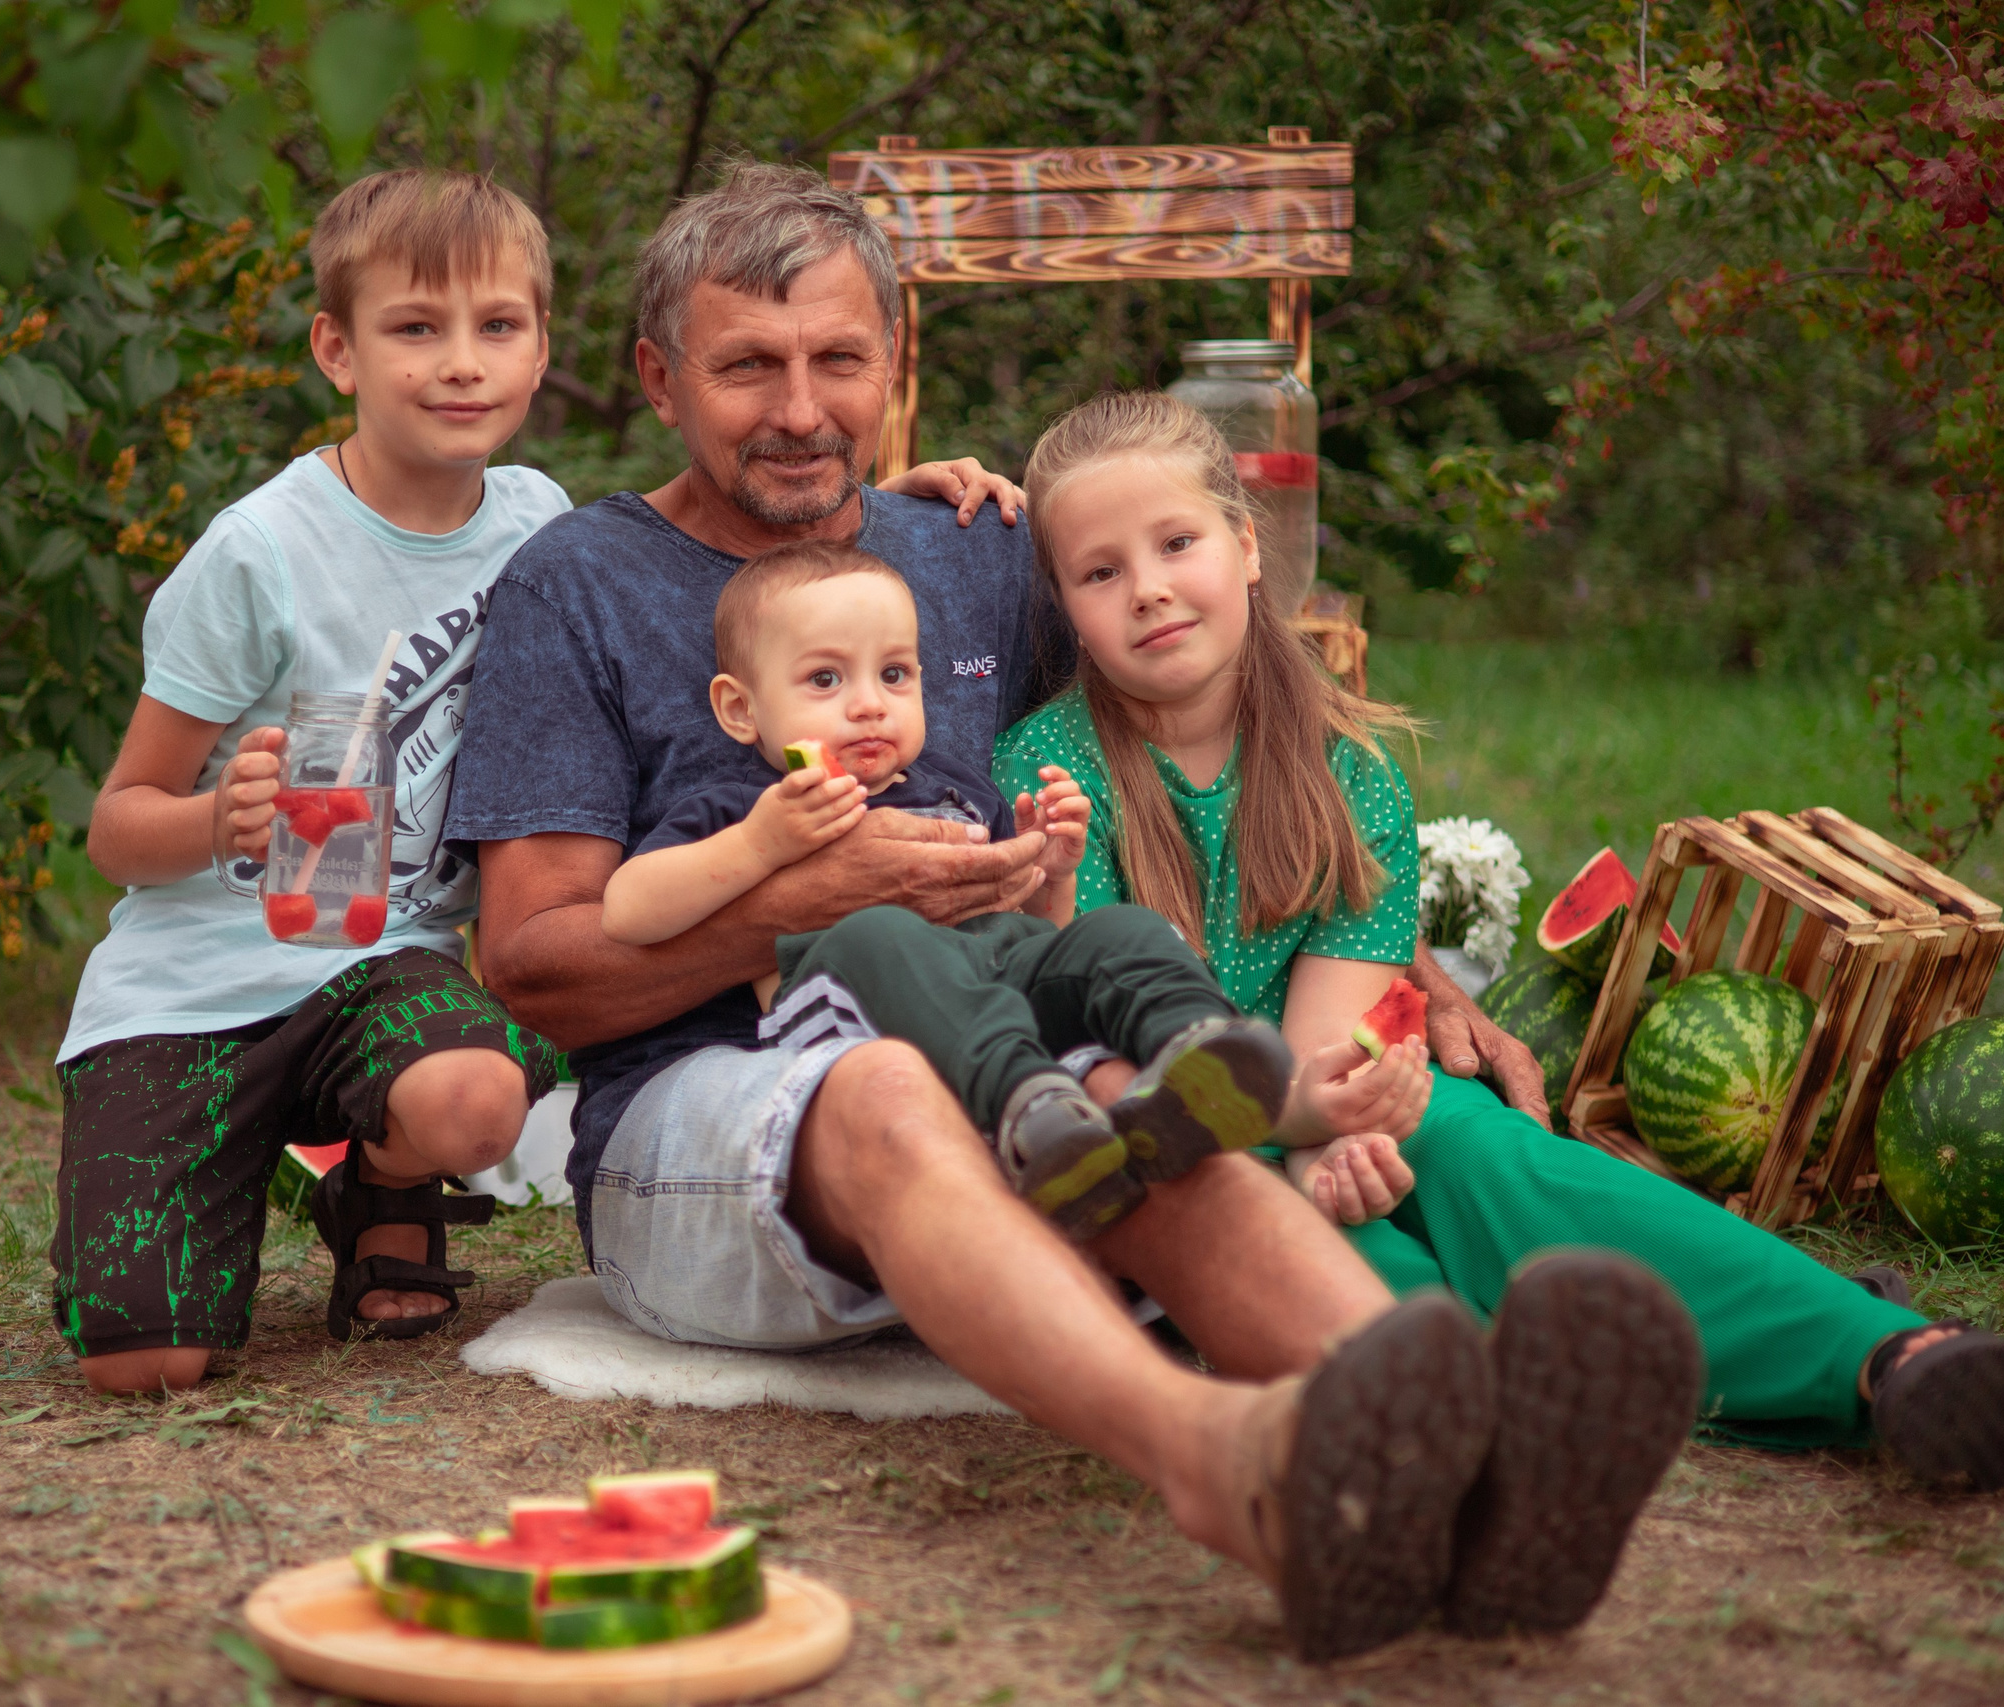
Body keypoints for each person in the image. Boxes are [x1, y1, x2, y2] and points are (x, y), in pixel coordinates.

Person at [453, 159, 1705, 1656]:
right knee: (886, 1081)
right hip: (711, 1112)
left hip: (1007, 1042)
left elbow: (1215, 701)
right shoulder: (577, 585)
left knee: (1137, 1092)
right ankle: (1226, 1466)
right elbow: (532, 966)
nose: (800, 408)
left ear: (894, 366)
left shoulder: (976, 550)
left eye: (839, 359)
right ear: (661, 377)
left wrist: (1395, 950)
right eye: (748, 367)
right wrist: (815, 893)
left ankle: (1484, 1468)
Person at [53, 168, 1045, 1397]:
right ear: (336, 349)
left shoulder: (529, 514)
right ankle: (297, 1175)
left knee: (472, 1099)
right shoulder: (280, 554)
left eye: (497, 329)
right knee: (148, 1360)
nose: (459, 365)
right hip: (206, 973)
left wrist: (879, 498)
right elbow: (119, 821)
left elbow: (770, 525)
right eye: (415, 329)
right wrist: (217, 817)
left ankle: (388, 1174)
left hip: (387, 955)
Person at [992, 388, 2004, 1499]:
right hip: (1183, 1134)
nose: (1150, 590)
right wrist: (1312, 1152)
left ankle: (1880, 1354)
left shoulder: (1348, 778)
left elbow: (1334, 1034)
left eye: (1177, 544)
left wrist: (1339, 1128)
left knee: (1492, 1155)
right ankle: (1502, 1429)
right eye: (1100, 572)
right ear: (1065, 606)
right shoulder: (1051, 780)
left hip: (1319, 1091)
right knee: (1342, 1257)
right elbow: (1114, 1030)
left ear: (1246, 545)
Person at [602, 537, 1300, 1239]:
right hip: (856, 1018)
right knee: (884, 932)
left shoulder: (959, 790)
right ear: (740, 709)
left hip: (997, 986)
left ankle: (1196, 1049)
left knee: (1121, 930)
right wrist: (760, 845)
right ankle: (1031, 1110)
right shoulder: (747, 807)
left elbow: (1033, 932)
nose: (870, 705)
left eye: (896, 674)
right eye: (824, 680)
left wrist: (1049, 873)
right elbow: (629, 910)